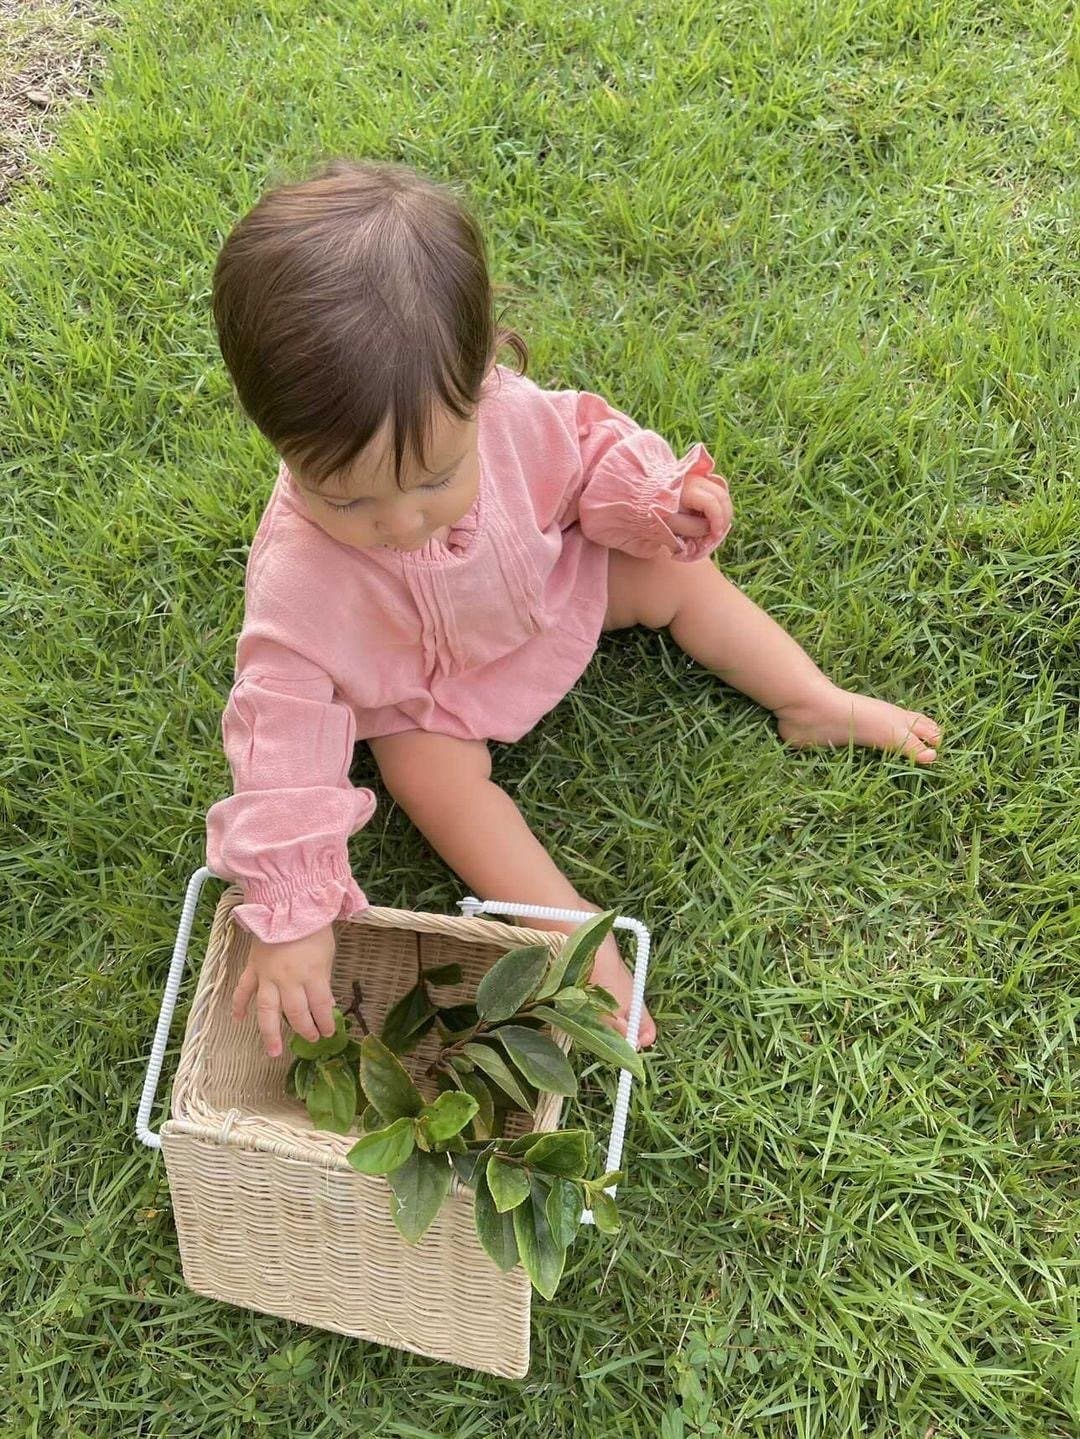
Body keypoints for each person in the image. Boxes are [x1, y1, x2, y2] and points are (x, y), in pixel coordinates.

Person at [205, 158, 941, 1062]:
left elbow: (588, 454)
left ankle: (811, 699)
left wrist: (653, 501)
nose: (401, 523)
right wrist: (292, 909)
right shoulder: (297, 580)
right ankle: (572, 931)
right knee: (432, 781)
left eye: (435, 479)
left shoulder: (509, 417)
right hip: (428, 695)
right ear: (277, 440)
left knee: (672, 578)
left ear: (484, 378)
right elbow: (277, 737)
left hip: (549, 597)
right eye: (346, 499)